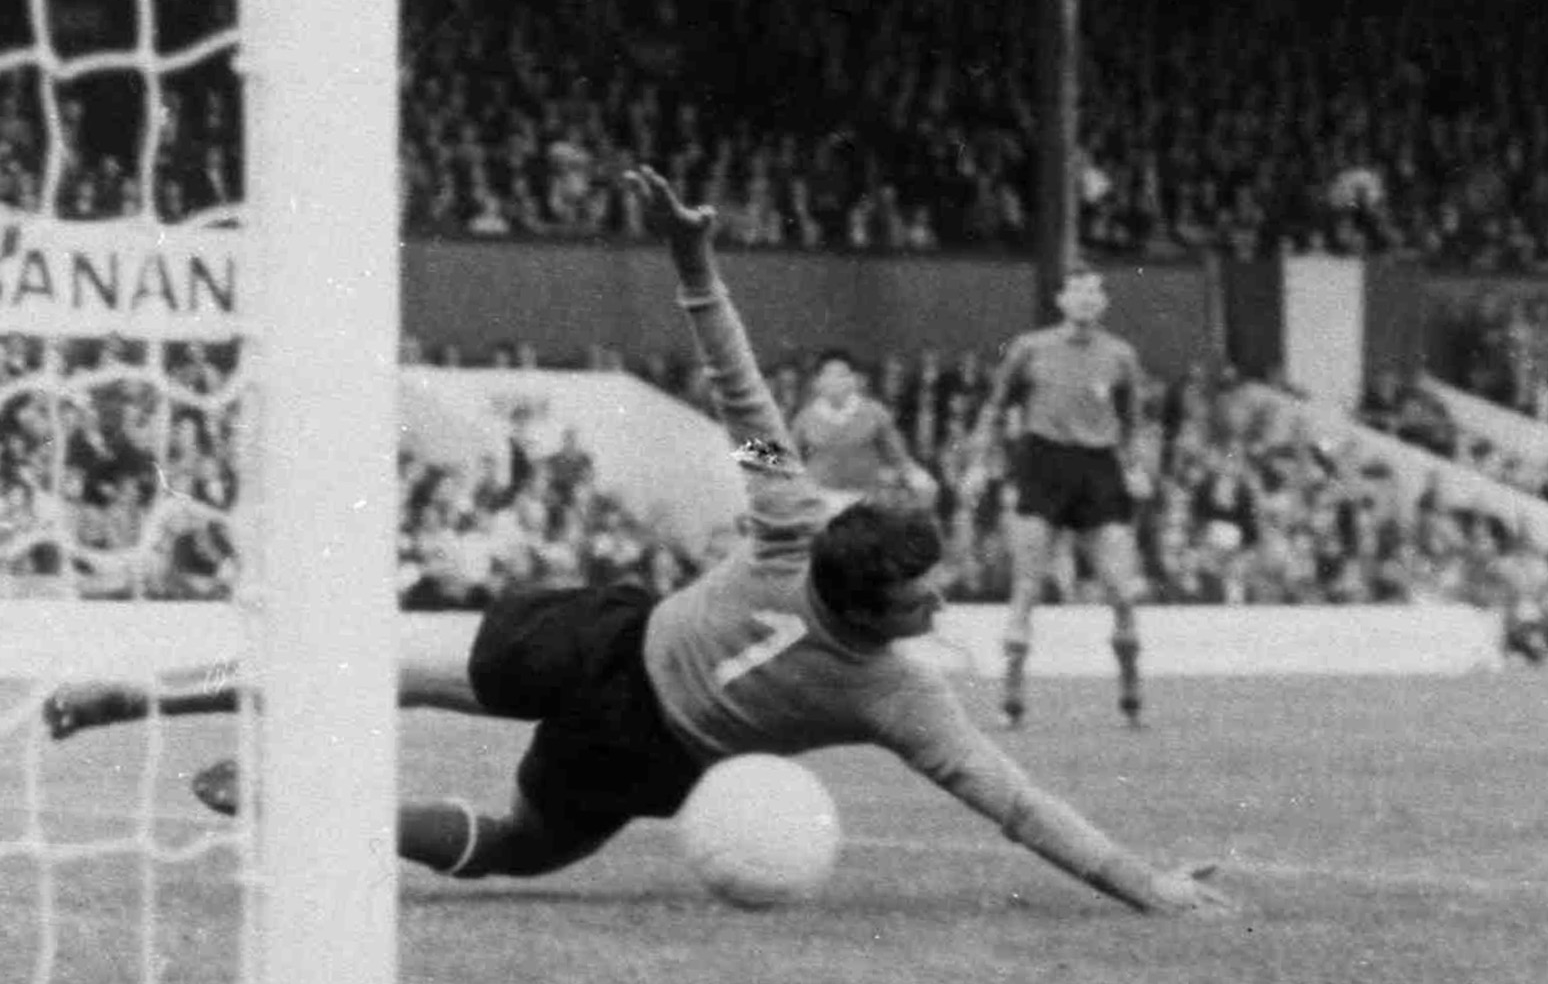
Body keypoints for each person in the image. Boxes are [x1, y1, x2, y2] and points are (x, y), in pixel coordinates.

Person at [42, 166, 1223, 915]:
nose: (938, 606)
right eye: (927, 597)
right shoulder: (895, 694)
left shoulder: (788, 520)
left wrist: (696, 261)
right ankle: (293, 809)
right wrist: (1145, 888)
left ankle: (135, 696)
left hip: (596, 638)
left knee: (376, 676)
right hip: (643, 747)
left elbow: (744, 389)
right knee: (508, 847)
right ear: (877, 610)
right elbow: (1016, 805)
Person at [989, 266, 1150, 728]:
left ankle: (1131, 692)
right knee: (1028, 585)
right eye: (1076, 290)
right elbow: (997, 406)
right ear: (1060, 300)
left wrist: (1137, 467)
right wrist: (982, 461)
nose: (1085, 298)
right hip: (1043, 464)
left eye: (1094, 290)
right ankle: (1011, 698)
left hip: (1098, 469)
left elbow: (1135, 421)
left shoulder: (1120, 355)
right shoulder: (1029, 348)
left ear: (1104, 302)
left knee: (1120, 587)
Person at [792, 349, 935, 514]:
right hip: (821, 500)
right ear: (817, 382)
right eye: (828, 375)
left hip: (866, 500)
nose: (835, 382)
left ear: (854, 380)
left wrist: (918, 477)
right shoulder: (804, 418)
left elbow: (899, 457)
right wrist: (756, 450)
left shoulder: (875, 412)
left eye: (842, 375)